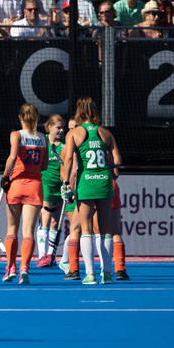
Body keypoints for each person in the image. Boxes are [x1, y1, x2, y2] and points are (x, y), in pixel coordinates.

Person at [61, 96, 122, 285]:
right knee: (105, 230)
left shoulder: (74, 133)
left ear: (79, 112)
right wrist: (105, 164)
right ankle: (108, 273)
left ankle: (90, 274)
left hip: (86, 182)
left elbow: (69, 159)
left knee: (86, 229)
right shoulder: (106, 133)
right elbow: (118, 161)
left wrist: (65, 183)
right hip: (104, 182)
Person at [0, 104, 48, 284]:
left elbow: (12, 158)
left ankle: (10, 266)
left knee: (12, 228)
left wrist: (5, 177)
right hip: (35, 186)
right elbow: (44, 166)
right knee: (28, 231)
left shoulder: (17, 135)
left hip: (17, 184)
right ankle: (24, 267)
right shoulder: (43, 138)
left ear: (21, 118)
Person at [36, 114, 65, 268]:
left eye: (62, 127)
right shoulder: (42, 140)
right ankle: (42, 255)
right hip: (44, 183)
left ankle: (51, 255)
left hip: (60, 186)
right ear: (49, 127)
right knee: (45, 217)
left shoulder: (65, 145)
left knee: (56, 223)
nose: (61, 130)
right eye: (58, 127)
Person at [58, 117, 81, 280]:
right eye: (70, 128)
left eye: (76, 127)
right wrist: (67, 187)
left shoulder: (85, 146)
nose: (72, 131)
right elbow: (63, 172)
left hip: (87, 190)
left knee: (93, 230)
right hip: (73, 193)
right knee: (76, 229)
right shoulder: (66, 148)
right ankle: (69, 263)